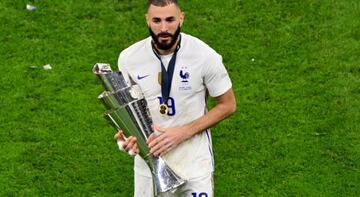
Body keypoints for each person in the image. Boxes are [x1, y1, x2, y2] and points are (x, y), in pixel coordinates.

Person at [114, 0, 236, 196]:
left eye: (170, 20)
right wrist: (127, 138)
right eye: (157, 20)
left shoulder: (204, 56)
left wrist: (182, 133)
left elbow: (228, 105)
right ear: (147, 20)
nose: (164, 28)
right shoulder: (129, 58)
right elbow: (129, 110)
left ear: (181, 18)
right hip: (149, 165)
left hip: (194, 165)